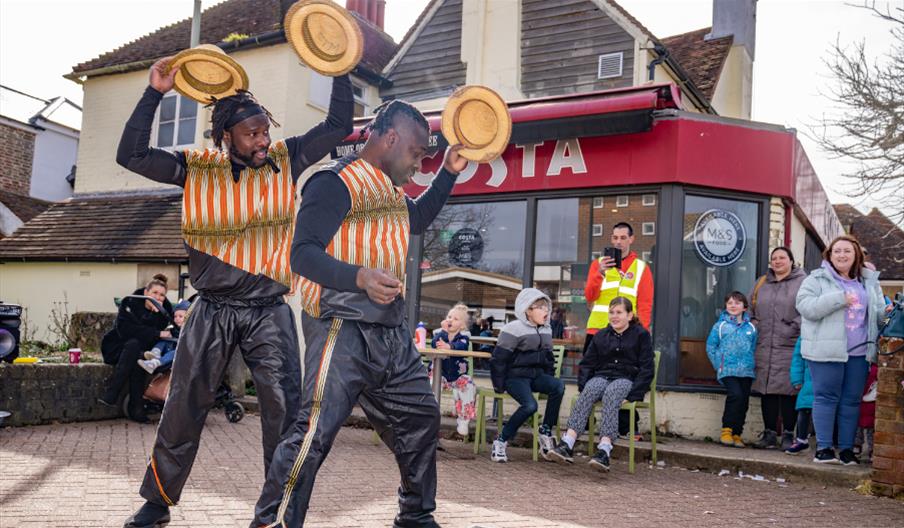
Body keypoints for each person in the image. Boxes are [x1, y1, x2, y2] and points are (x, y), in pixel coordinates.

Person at [115, 57, 353, 528]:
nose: (264, 140)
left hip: (270, 310)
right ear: (227, 136)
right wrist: (155, 93)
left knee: (285, 412)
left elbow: (339, 124)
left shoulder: (287, 159)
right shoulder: (195, 168)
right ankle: (158, 501)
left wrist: (340, 66)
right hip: (212, 307)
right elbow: (131, 156)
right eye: (252, 134)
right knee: (184, 405)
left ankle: (284, 508)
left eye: (266, 130)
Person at [252, 101, 466, 528]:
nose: (421, 161)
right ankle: (271, 522)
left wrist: (449, 172)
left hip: (390, 331)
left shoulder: (390, 191)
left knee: (420, 417)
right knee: (314, 431)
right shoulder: (333, 183)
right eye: (418, 152)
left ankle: (415, 515)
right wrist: (360, 277)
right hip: (339, 325)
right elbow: (301, 255)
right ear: (390, 139)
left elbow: (418, 219)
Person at [796, 235, 885, 465]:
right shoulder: (816, 279)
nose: (842, 255)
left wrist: (889, 314)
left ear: (856, 255)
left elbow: (878, 314)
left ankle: (846, 451)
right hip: (825, 351)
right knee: (826, 398)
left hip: (859, 352)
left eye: (847, 251)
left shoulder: (868, 282)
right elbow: (806, 307)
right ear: (829, 255)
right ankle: (824, 449)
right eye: (837, 251)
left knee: (851, 401)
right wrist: (839, 299)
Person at [548, 297, 654, 471]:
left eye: (619, 312)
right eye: (611, 312)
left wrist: (634, 395)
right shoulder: (601, 336)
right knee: (590, 390)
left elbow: (647, 368)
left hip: (625, 379)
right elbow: (587, 364)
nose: (614, 316)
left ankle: (604, 450)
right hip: (602, 376)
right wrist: (584, 386)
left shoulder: (641, 335)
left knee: (612, 393)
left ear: (629, 315)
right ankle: (567, 444)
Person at [583, 222, 653, 438]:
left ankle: (627, 427)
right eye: (615, 238)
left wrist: (643, 331)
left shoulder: (641, 268)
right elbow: (589, 295)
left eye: (623, 238)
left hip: (628, 334)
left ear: (631, 239)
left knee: (625, 377)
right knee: (590, 377)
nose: (618, 242)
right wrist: (600, 274)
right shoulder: (599, 264)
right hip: (597, 330)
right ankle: (585, 423)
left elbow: (645, 303)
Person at [488, 288, 565, 463]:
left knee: (558, 386)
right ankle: (501, 441)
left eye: (547, 308)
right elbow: (498, 360)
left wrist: (549, 377)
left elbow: (548, 358)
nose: (545, 311)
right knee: (531, 406)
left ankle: (545, 431)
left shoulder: (547, 329)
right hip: (515, 377)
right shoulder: (512, 329)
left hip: (536, 376)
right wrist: (499, 385)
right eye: (540, 308)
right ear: (527, 310)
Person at [748, 246, 807, 450]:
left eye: (782, 257)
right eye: (774, 258)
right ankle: (769, 434)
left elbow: (809, 310)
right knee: (767, 390)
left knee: (789, 391)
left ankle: (789, 434)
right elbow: (750, 308)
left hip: (790, 344)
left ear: (792, 260)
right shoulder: (762, 282)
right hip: (764, 344)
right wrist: (755, 325)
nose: (778, 261)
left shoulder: (803, 282)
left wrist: (793, 327)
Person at [100, 274, 173, 423]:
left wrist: (155, 316)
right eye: (155, 293)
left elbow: (171, 330)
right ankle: (118, 393)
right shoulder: (130, 303)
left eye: (162, 295)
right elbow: (125, 331)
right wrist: (156, 332)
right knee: (134, 345)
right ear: (146, 293)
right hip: (117, 347)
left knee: (138, 359)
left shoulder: (164, 311)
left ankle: (134, 407)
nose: (158, 297)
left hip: (139, 352)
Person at [705, 292, 757, 448]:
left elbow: (753, 348)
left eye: (737, 303)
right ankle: (726, 431)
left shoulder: (751, 328)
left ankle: (737, 434)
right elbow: (710, 346)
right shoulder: (720, 326)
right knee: (735, 395)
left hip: (746, 371)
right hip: (727, 369)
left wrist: (750, 363)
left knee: (744, 401)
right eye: (730, 303)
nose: (733, 306)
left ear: (744, 307)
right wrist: (718, 364)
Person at [431, 303, 476, 436]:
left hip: (457, 377)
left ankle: (463, 419)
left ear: (462, 326)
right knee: (428, 383)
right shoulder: (439, 334)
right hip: (440, 375)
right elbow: (435, 344)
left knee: (469, 385)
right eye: (449, 317)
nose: (450, 320)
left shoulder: (463, 338)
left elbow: (460, 347)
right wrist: (444, 332)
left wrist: (449, 347)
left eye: (455, 319)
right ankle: (429, 416)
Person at [137, 300, 190, 374]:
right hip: (169, 348)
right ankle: (155, 353)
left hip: (178, 354)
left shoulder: (190, 330)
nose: (177, 318)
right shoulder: (173, 328)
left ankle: (155, 363)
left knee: (177, 351)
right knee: (164, 341)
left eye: (180, 316)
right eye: (175, 316)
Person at [785, 338, 814, 455]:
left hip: (823, 378)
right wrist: (797, 378)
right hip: (807, 379)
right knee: (804, 408)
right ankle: (802, 439)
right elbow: (797, 358)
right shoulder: (805, 334)